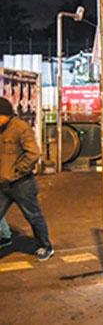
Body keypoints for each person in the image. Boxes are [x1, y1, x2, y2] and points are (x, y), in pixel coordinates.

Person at [0, 97, 53, 261]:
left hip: (21, 183)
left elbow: (33, 153)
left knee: (33, 216)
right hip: (3, 183)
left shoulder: (20, 128)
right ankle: (6, 238)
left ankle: (45, 246)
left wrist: (18, 170)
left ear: (6, 115)